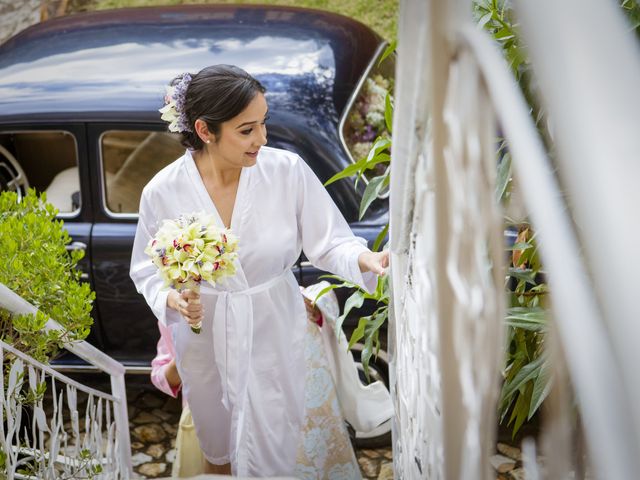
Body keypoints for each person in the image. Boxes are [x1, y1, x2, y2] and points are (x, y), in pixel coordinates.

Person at [130, 64, 389, 477]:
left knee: (283, 441)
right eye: (247, 130)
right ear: (204, 130)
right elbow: (145, 269)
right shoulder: (163, 191)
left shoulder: (286, 172)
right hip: (205, 340)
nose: (262, 139)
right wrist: (172, 299)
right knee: (220, 449)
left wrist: (365, 260)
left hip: (274, 327)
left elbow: (331, 240)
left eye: (263, 124)